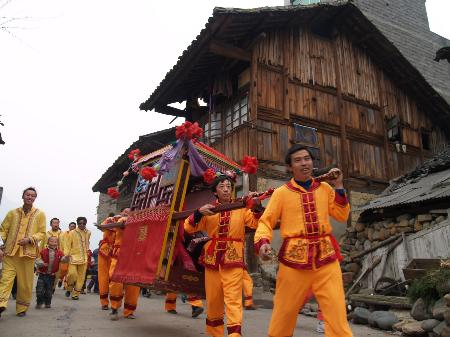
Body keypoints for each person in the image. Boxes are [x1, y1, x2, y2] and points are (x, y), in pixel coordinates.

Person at [254, 144, 353, 337]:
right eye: (298, 160)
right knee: (284, 312)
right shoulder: (282, 193)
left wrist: (339, 186)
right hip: (294, 261)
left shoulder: (325, 188)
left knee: (337, 312)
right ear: (290, 167)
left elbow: (341, 215)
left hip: (326, 259)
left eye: (307, 159)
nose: (304, 163)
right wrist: (263, 242)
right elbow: (266, 221)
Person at [184, 171, 263, 337]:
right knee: (213, 301)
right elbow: (188, 228)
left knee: (233, 298)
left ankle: (234, 335)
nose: (226, 189)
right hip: (212, 258)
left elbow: (255, 222)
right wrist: (198, 213)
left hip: (233, 257)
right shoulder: (209, 210)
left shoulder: (241, 208)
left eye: (229, 186)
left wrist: (255, 207)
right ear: (215, 191)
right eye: (222, 186)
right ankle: (215, 334)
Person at [0, 187, 46, 317]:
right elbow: (3, 229)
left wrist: (30, 239)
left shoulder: (40, 214)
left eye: (32, 196)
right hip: (10, 253)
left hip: (27, 255)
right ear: (23, 196)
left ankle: (21, 308)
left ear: (35, 198)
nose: (30, 197)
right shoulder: (12, 213)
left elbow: (42, 233)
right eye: (27, 195)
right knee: (5, 280)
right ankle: (1, 305)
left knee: (25, 284)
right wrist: (5, 241)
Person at [108, 208, 140, 321]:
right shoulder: (118, 220)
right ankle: (114, 308)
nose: (127, 212)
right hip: (119, 255)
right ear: (121, 213)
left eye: (129, 211)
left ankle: (129, 311)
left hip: (135, 256)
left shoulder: (140, 221)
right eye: (125, 211)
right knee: (115, 280)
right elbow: (107, 225)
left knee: (133, 284)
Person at [63, 216, 91, 300]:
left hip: (84, 258)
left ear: (86, 224)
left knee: (81, 277)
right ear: (77, 224)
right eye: (80, 223)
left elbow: (87, 243)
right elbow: (67, 244)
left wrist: (88, 251)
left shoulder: (88, 232)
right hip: (73, 257)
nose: (82, 225)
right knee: (72, 274)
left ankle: (76, 294)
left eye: (83, 223)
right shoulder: (72, 233)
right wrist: (66, 254)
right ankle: (69, 288)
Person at [35, 236, 65, 309]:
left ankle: (47, 303)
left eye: (55, 242)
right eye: (51, 241)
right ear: (48, 242)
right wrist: (41, 263)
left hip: (52, 276)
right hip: (42, 274)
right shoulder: (43, 251)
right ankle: (39, 302)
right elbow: (38, 259)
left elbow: (63, 259)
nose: (53, 243)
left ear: (57, 243)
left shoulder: (59, 252)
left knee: (49, 291)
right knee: (39, 290)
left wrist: (67, 258)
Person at [97, 215, 117, 310]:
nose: (127, 213)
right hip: (105, 251)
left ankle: (116, 301)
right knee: (103, 277)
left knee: (114, 277)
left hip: (119, 252)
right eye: (125, 211)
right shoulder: (110, 219)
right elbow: (101, 227)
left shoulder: (131, 221)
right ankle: (104, 302)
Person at [57, 222, 76, 289]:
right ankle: (60, 279)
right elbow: (61, 244)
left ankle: (66, 285)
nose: (72, 228)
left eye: (74, 226)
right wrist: (61, 253)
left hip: (73, 256)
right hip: (64, 254)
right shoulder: (63, 234)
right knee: (63, 269)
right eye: (71, 226)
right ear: (69, 227)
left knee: (69, 271)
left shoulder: (76, 235)